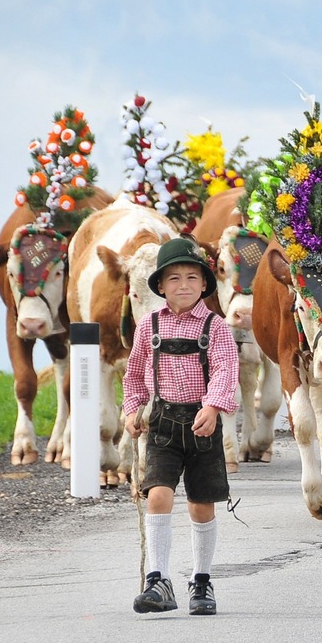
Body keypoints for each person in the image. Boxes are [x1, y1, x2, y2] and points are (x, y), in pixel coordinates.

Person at [123, 237, 240, 615]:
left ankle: (201, 583)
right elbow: (135, 374)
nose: (184, 285)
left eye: (192, 277)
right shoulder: (148, 326)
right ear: (159, 286)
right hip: (162, 424)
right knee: (157, 494)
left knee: (201, 504)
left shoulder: (216, 326)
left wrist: (213, 405)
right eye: (174, 279)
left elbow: (225, 368)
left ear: (205, 284)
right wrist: (131, 409)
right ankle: (158, 580)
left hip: (202, 423)